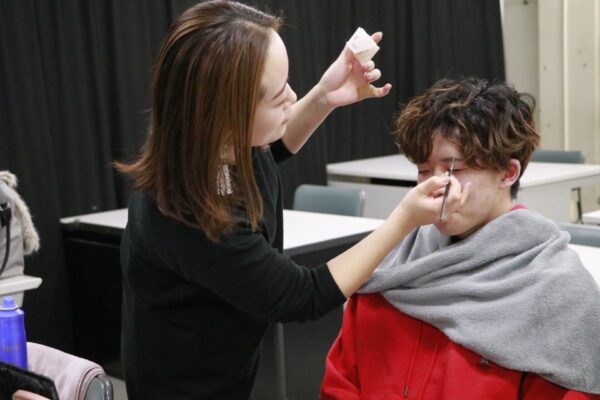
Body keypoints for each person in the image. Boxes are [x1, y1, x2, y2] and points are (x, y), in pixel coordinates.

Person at [115, 1, 469, 399]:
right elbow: (302, 296)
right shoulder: (187, 212)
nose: (292, 96)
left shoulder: (219, 142)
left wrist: (325, 96)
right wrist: (404, 218)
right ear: (227, 114)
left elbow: (274, 145)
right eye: (278, 96)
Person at [320, 78, 600, 399]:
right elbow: (341, 382)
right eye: (424, 171)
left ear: (508, 173)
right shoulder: (390, 265)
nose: (436, 188)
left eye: (454, 170)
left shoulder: (557, 290)